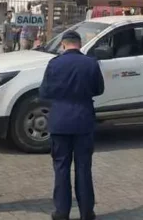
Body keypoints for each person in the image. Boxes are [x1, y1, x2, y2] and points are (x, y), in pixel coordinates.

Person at [39, 30, 105, 220]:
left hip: (59, 121)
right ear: (79, 43)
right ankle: (86, 212)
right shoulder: (91, 63)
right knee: (84, 168)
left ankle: (61, 212)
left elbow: (44, 92)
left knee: (61, 168)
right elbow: (99, 89)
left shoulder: (54, 63)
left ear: (63, 45)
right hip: (84, 120)